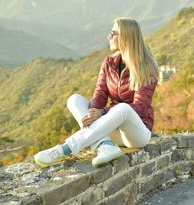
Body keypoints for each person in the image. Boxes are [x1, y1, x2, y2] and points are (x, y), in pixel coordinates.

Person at [34, 18, 159, 168]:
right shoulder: (109, 63)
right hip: (110, 129)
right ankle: (105, 146)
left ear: (125, 37)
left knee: (123, 108)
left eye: (113, 34)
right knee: (74, 99)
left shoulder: (146, 66)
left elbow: (140, 106)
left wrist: (102, 111)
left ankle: (65, 149)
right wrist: (93, 111)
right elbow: (100, 93)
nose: (109, 37)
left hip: (136, 134)